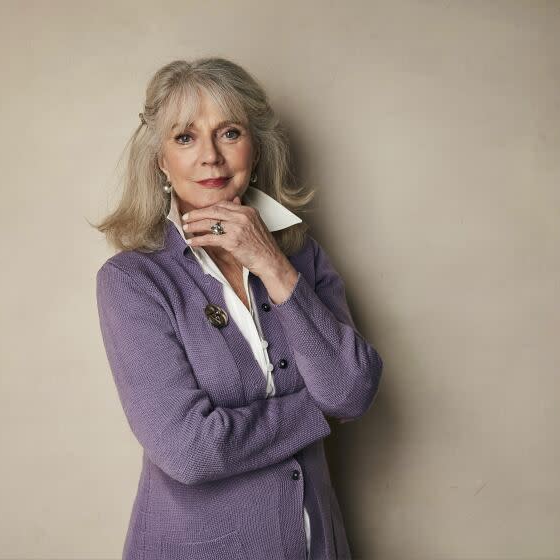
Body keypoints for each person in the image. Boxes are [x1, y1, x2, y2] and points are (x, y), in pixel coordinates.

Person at [94, 57, 383, 560]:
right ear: (161, 159)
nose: (210, 157)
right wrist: (319, 409)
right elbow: (190, 449)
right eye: (185, 137)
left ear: (254, 144)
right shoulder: (134, 282)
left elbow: (353, 392)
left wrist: (272, 264)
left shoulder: (302, 257)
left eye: (228, 132)